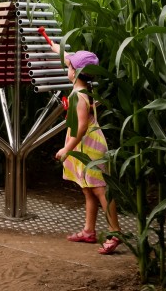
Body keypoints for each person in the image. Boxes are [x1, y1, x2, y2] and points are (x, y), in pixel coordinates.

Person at [49, 42, 122, 254]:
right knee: (88, 190)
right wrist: (53, 46)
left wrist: (67, 150)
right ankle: (89, 231)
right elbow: (68, 58)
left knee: (100, 190)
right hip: (84, 145)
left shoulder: (77, 96)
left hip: (87, 146)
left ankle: (115, 232)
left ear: (78, 72)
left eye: (70, 67)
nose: (68, 69)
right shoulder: (85, 88)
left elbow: (80, 127)